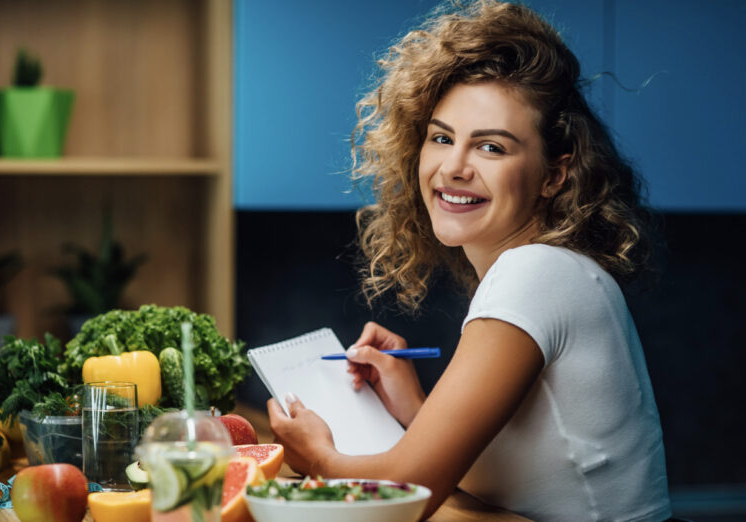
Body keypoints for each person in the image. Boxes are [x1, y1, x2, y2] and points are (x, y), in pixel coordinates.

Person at [266, 1, 672, 520]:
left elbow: (405, 497)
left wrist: (319, 458)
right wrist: (416, 408)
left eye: (491, 148)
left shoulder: (535, 273)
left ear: (554, 174)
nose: (453, 167)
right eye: (441, 138)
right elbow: (511, 474)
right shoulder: (555, 269)